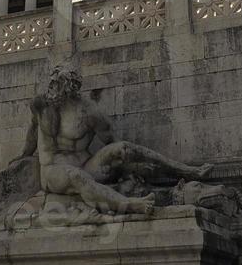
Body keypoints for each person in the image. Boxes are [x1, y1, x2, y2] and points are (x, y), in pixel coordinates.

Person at [16, 66, 212, 216]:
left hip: (86, 165)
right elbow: (33, 131)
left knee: (123, 149)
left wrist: (129, 168)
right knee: (76, 176)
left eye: (58, 83)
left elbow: (112, 141)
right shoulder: (40, 105)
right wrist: (24, 155)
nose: (52, 88)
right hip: (52, 172)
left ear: (71, 87)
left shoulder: (88, 112)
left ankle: (186, 170)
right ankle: (131, 205)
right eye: (52, 83)